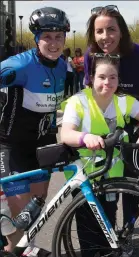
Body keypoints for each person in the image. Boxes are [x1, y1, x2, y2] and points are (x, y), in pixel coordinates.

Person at [61, 54, 139, 257]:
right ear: (91, 78)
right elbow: (65, 134)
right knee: (88, 228)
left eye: (113, 77)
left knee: (108, 227)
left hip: (111, 176)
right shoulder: (78, 102)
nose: (108, 82)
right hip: (84, 176)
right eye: (102, 77)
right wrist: (85, 137)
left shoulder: (122, 101)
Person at [83, 6, 139, 255]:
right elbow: (88, 91)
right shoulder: (91, 55)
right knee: (109, 185)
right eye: (99, 31)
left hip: (136, 128)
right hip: (106, 129)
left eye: (111, 29)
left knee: (133, 187)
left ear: (122, 31)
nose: (105, 37)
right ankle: (110, 234)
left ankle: (128, 233)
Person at [0, 6, 70, 256]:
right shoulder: (17, 66)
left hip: (43, 148)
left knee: (35, 212)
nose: (53, 43)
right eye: (47, 37)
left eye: (58, 36)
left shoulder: (64, 67)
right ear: (36, 38)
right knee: (18, 219)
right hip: (13, 146)